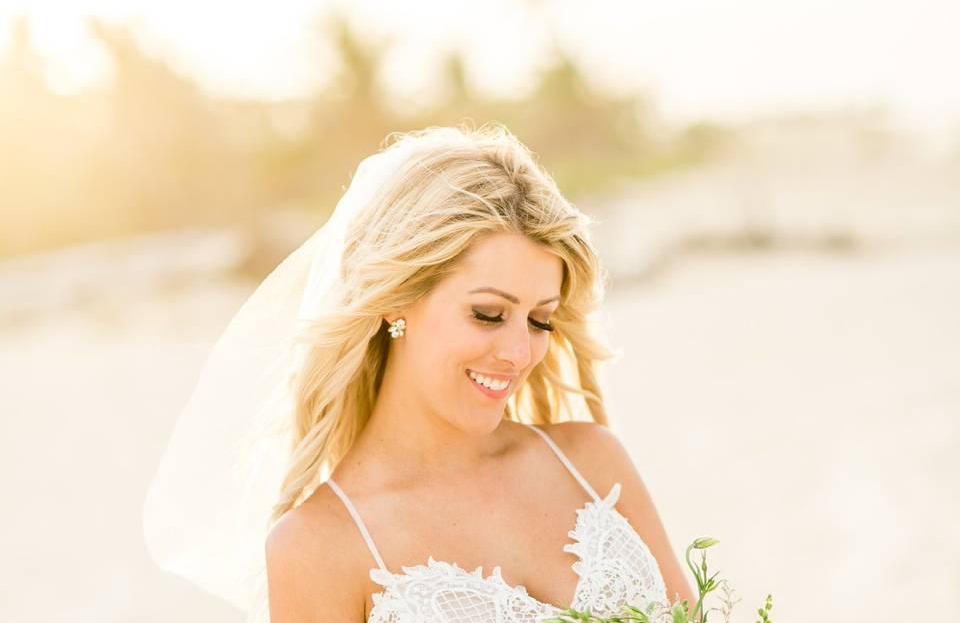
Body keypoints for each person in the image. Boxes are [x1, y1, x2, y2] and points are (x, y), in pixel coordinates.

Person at [144, 123, 695, 623]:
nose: (519, 351)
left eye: (540, 320)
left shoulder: (591, 462)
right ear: (396, 300)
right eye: (488, 314)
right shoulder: (318, 547)